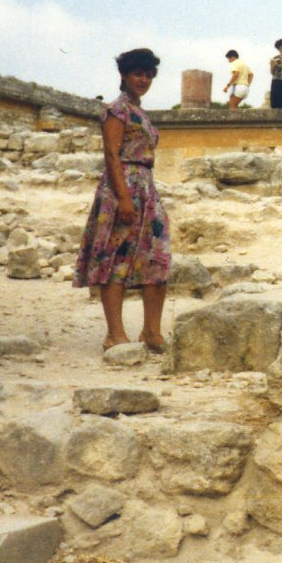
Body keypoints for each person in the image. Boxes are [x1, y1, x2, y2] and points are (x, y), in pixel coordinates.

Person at [74, 48, 171, 353]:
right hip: (122, 189)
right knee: (115, 259)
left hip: (146, 188)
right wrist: (124, 198)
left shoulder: (140, 112)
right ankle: (115, 334)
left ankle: (151, 332)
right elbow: (112, 154)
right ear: (124, 76)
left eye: (148, 74)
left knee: (157, 258)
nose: (143, 80)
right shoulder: (116, 110)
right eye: (137, 74)